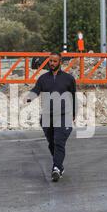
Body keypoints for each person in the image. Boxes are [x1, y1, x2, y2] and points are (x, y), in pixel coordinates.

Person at [27, 52, 77, 182]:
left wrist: (74, 113)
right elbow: (36, 89)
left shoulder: (68, 79)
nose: (52, 63)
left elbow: (73, 96)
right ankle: (60, 166)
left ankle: (55, 168)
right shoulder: (43, 78)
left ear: (60, 62)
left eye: (55, 61)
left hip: (63, 115)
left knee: (59, 141)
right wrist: (30, 97)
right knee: (51, 144)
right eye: (50, 61)